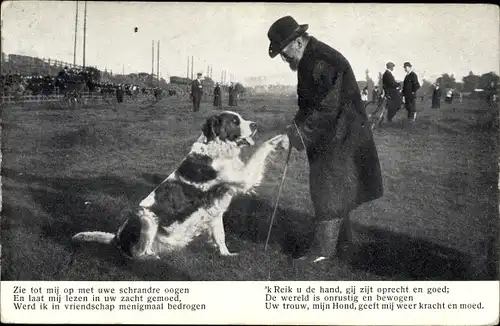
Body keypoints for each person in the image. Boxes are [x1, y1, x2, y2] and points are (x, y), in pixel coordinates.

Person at [267, 16, 383, 263]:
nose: (283, 58)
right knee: (335, 188)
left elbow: (325, 108)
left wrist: (297, 136)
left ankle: (322, 252)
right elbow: (308, 105)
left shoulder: (319, 60)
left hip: (341, 135)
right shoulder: (310, 58)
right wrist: (294, 128)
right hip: (334, 133)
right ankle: (344, 244)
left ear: (298, 42)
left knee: (327, 189)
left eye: (284, 52)